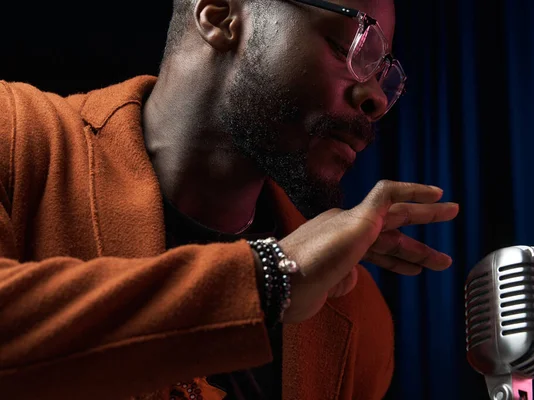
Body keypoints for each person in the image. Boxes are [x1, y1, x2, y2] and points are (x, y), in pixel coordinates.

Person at [0, 0, 460, 399]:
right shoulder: (16, 134)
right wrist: (267, 282)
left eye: (385, 73)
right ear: (219, 16)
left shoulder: (353, 312)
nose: (377, 97)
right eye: (356, 46)